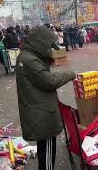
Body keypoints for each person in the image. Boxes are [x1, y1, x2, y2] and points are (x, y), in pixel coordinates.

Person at [16, 27, 76, 170]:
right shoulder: (30, 60)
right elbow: (49, 81)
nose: (50, 49)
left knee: (44, 149)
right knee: (48, 151)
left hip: (37, 110)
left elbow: (39, 74)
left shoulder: (27, 56)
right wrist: (69, 74)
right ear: (41, 43)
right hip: (42, 114)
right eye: (48, 46)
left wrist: (49, 59)